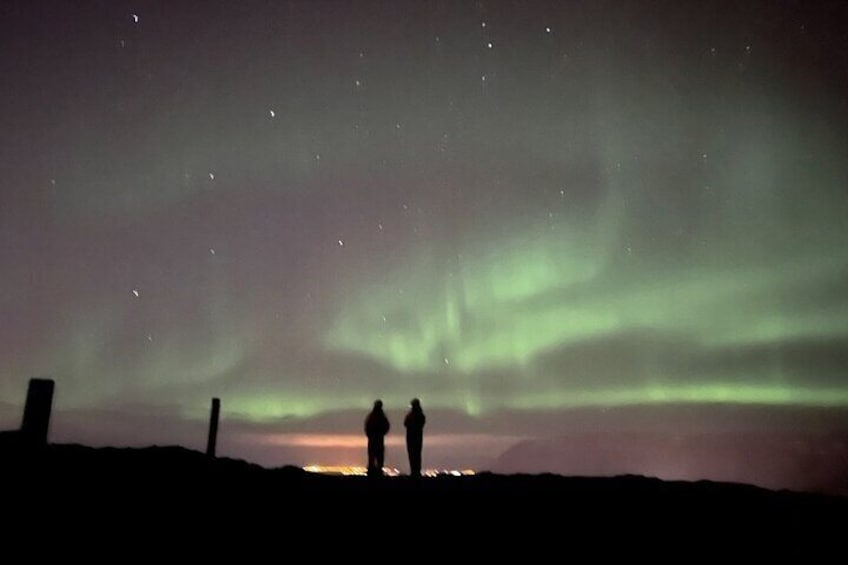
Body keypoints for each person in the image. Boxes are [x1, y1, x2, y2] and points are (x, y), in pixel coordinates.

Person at [364, 399, 390, 476]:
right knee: (378, 455)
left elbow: (367, 426)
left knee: (374, 455)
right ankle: (376, 469)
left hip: (374, 438)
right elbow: (386, 426)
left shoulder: (372, 416)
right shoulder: (381, 416)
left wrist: (370, 434)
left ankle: (373, 469)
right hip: (378, 438)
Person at [404, 398, 426, 477]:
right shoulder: (420, 414)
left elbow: (405, 423)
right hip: (417, 436)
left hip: (411, 436)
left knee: (413, 454)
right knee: (416, 454)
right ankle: (416, 471)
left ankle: (414, 471)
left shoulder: (411, 415)